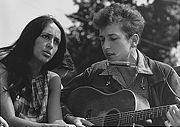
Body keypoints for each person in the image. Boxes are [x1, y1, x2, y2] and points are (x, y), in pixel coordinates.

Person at [60, 3, 180, 127]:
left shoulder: (164, 74)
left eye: (113, 38)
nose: (105, 46)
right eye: (102, 39)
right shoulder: (95, 71)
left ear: (133, 41)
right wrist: (70, 118)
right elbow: (59, 99)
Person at [0, 15, 75, 127]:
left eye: (56, 42)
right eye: (45, 36)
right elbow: (10, 119)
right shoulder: (4, 69)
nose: (50, 45)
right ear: (31, 37)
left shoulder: (53, 80)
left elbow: (56, 121)